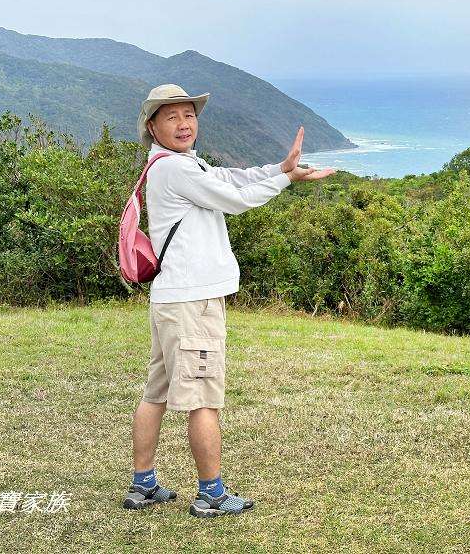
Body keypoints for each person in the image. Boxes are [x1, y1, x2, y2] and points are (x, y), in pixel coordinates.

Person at [122, 84, 335, 517]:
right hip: (192, 302)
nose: (184, 124)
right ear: (152, 126)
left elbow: (229, 179)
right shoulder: (176, 170)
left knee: (157, 391)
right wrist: (285, 180)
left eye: (189, 115)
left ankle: (143, 484)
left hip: (172, 300)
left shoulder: (175, 164)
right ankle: (211, 494)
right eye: (172, 117)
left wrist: (280, 169)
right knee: (203, 398)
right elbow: (236, 200)